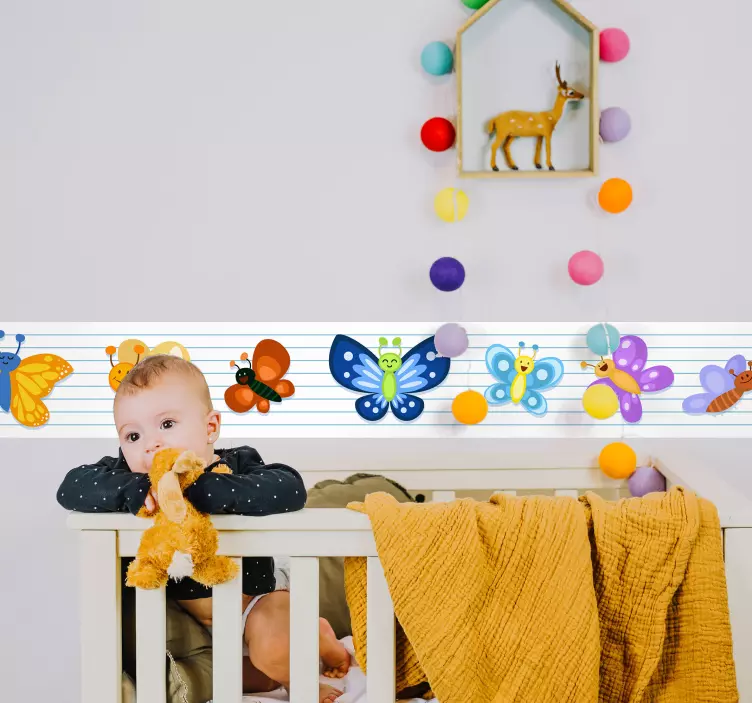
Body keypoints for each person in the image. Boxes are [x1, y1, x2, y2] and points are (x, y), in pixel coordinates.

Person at [57, 354, 350, 702]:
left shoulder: (236, 463)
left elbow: (289, 488)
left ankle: (314, 658)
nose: (151, 443)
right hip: (202, 626)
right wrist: (134, 491)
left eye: (167, 424)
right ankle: (307, 639)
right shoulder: (133, 479)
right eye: (133, 435)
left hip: (258, 600)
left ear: (210, 427)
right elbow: (71, 487)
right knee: (234, 676)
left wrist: (202, 490)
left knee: (273, 650)